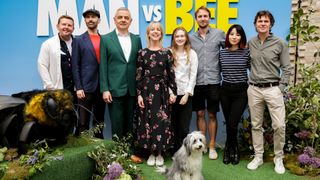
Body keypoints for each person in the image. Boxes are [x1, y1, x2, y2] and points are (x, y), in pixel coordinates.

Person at [246, 10, 291, 174]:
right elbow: (247, 63)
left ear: (270, 24)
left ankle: (278, 157)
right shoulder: (251, 43)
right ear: (255, 24)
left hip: (273, 89)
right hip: (254, 89)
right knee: (256, 125)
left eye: (265, 21)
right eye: (260, 21)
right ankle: (258, 156)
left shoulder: (279, 43)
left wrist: (281, 88)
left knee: (279, 125)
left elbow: (286, 68)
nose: (262, 23)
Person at [99, 7, 142, 163]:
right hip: (114, 89)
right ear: (115, 20)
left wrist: (140, 89)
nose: (123, 20)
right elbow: (103, 65)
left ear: (131, 21)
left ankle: (129, 152)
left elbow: (139, 65)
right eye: (120, 17)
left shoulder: (137, 39)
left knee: (130, 124)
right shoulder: (106, 39)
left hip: (132, 89)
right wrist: (105, 89)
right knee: (117, 124)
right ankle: (118, 154)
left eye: (126, 18)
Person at [136, 21, 177, 166]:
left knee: (161, 121)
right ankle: (150, 153)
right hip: (147, 91)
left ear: (161, 33)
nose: (155, 32)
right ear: (148, 33)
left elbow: (171, 73)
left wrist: (173, 93)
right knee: (147, 121)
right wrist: (139, 94)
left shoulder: (167, 52)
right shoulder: (142, 53)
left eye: (158, 30)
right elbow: (139, 75)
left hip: (162, 92)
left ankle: (159, 153)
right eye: (152, 29)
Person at [189, 6, 225, 160]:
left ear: (210, 18)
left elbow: (231, 48)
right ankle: (201, 146)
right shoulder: (190, 38)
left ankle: (211, 146)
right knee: (200, 113)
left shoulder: (219, 34)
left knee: (211, 114)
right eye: (200, 16)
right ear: (196, 19)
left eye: (205, 16)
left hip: (213, 81)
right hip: (196, 82)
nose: (203, 18)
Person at [219, 24, 250, 165]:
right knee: (229, 123)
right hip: (225, 91)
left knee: (232, 123)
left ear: (241, 37)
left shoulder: (246, 52)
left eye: (237, 34)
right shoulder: (222, 53)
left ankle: (232, 149)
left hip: (241, 92)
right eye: (231, 34)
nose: (234, 37)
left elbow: (253, 69)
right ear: (228, 36)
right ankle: (229, 149)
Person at [72, 9, 105, 138]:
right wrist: (79, 87)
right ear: (85, 20)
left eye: (93, 17)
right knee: (83, 122)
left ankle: (100, 150)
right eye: (88, 17)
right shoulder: (79, 40)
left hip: (101, 87)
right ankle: (82, 149)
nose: (91, 19)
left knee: (99, 120)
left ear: (99, 20)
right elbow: (75, 66)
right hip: (85, 88)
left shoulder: (105, 39)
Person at [170, 27, 198, 153]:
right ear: (173, 39)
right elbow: (167, 75)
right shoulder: (169, 53)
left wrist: (187, 94)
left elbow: (193, 76)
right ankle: (175, 151)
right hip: (172, 95)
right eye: (177, 36)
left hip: (186, 95)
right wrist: (171, 93)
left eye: (182, 36)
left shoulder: (192, 54)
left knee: (184, 126)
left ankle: (184, 152)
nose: (180, 38)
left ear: (186, 38)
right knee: (173, 125)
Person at [38, 15, 75, 96]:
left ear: (73, 28)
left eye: (69, 25)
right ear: (57, 26)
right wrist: (50, 87)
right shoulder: (48, 44)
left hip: (76, 90)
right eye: (64, 24)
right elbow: (42, 66)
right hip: (57, 90)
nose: (66, 27)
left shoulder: (78, 43)